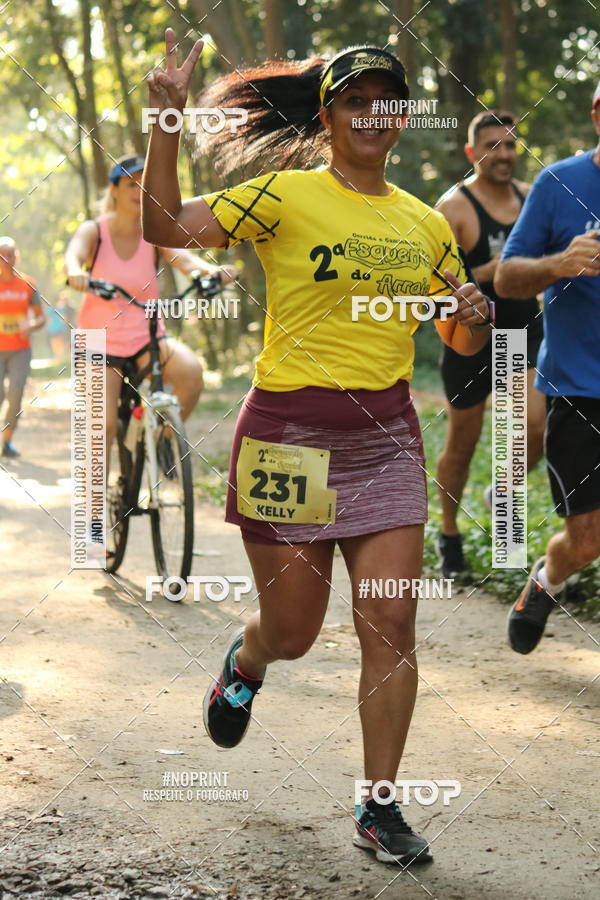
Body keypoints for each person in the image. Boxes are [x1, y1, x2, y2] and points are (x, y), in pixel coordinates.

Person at [143, 33, 493, 865]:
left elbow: (457, 341)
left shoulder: (427, 224)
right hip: (288, 440)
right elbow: (163, 223)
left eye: (387, 101)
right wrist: (164, 112)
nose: (372, 115)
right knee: (294, 632)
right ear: (329, 115)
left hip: (385, 442)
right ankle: (246, 657)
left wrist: (473, 320)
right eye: (354, 101)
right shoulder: (283, 196)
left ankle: (379, 807)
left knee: (391, 621)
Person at [495, 82, 600, 654]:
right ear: (598, 113)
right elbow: (507, 278)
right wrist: (561, 263)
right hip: (578, 390)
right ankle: (546, 580)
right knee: (585, 542)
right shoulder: (559, 183)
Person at [64, 154, 236, 464]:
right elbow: (73, 254)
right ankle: (93, 509)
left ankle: (160, 437)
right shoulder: (95, 230)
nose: (139, 191)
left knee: (190, 373)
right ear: (114, 190)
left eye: (145, 185)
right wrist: (76, 272)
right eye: (132, 184)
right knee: (102, 427)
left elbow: (185, 260)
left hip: (146, 337)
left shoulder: (154, 233)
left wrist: (207, 273)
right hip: (97, 341)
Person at [435, 111, 545, 578]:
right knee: (464, 443)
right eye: (492, 145)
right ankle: (448, 533)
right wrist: (494, 269)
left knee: (535, 428)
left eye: (509, 145)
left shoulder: (532, 197)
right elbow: (439, 289)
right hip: (469, 340)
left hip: (522, 330)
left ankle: (503, 501)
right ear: (471, 153)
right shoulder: (452, 208)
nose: (503, 154)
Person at [0, 236, 46, 458]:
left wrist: (31, 326)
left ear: (16, 257)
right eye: (2, 255)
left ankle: (7, 442)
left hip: (20, 349)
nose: (6, 259)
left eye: (10, 255)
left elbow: (41, 319)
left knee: (15, 393)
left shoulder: (28, 284)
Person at [46, 289, 74, 359]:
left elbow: (65, 317)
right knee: (55, 342)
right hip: (53, 329)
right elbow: (48, 318)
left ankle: (61, 355)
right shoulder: (50, 310)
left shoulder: (61, 309)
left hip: (60, 328)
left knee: (61, 341)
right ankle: (58, 356)